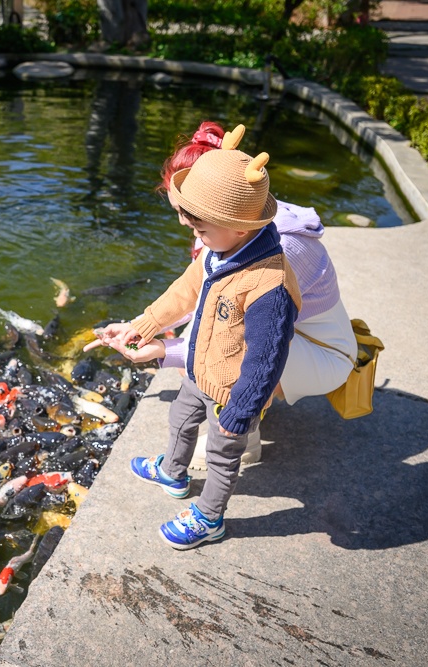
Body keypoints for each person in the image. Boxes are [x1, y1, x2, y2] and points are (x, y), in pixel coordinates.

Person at [90, 124, 301, 550]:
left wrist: (243, 410)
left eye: (200, 227)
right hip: (197, 368)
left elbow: (266, 360)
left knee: (224, 457)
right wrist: (146, 323)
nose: (191, 232)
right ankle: (172, 470)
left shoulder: (269, 285)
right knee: (181, 420)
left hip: (229, 389)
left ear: (240, 227)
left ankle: (209, 517)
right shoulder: (218, 250)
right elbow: (186, 288)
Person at [159, 121, 357, 468]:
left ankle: (243, 441)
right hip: (296, 338)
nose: (183, 223)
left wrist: (163, 351)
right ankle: (249, 405)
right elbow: (195, 291)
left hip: (326, 353)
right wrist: (142, 327)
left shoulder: (279, 251)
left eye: (187, 214)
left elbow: (246, 340)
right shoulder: (238, 221)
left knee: (213, 349)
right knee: (195, 343)